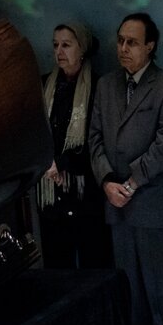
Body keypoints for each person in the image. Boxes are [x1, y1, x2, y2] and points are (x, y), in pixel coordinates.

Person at [88, 12, 163, 325]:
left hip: (151, 197)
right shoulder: (106, 85)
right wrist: (106, 182)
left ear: (150, 46)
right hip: (115, 199)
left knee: (162, 278)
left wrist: (131, 182)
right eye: (120, 41)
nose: (123, 48)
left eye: (132, 42)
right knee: (127, 278)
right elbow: (94, 139)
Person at [37, 21, 111, 270]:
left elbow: (99, 139)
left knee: (93, 264)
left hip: (85, 191)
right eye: (55, 45)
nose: (59, 51)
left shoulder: (98, 87)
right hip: (51, 193)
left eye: (66, 45)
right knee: (57, 266)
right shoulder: (44, 85)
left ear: (82, 49)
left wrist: (64, 163)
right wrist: (49, 164)